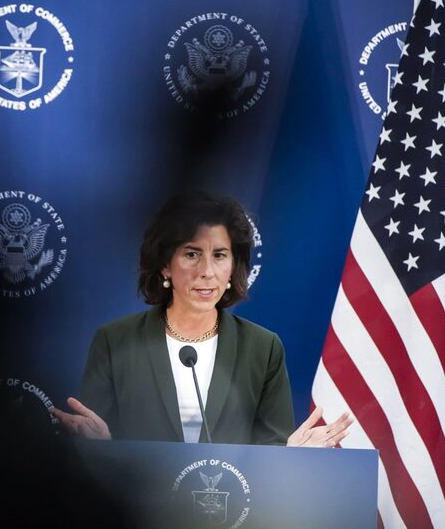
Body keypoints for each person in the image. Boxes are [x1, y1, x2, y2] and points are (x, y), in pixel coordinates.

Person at [51, 191, 352, 447]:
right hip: (138, 511)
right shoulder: (115, 341)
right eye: (192, 254)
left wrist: (290, 454)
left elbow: (271, 458)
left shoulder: (263, 348)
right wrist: (100, 447)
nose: (207, 270)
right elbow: (91, 460)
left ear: (234, 266)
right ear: (165, 265)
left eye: (220, 255)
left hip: (233, 513)